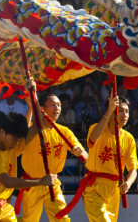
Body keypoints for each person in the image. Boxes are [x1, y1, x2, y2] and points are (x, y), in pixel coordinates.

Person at [58, 90, 138, 221]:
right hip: (94, 187)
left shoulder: (129, 138)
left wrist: (128, 183)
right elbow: (91, 141)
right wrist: (109, 109)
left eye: (127, 111)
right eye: (120, 111)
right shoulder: (96, 128)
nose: (125, 115)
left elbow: (133, 169)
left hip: (114, 190)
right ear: (112, 111)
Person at [18, 93, 88, 222]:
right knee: (29, 220)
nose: (57, 108)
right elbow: (24, 130)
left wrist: (80, 152)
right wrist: (31, 106)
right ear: (43, 109)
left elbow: (85, 154)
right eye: (52, 105)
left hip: (52, 184)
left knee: (62, 219)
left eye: (59, 105)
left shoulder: (64, 132)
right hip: (32, 184)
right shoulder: (34, 130)